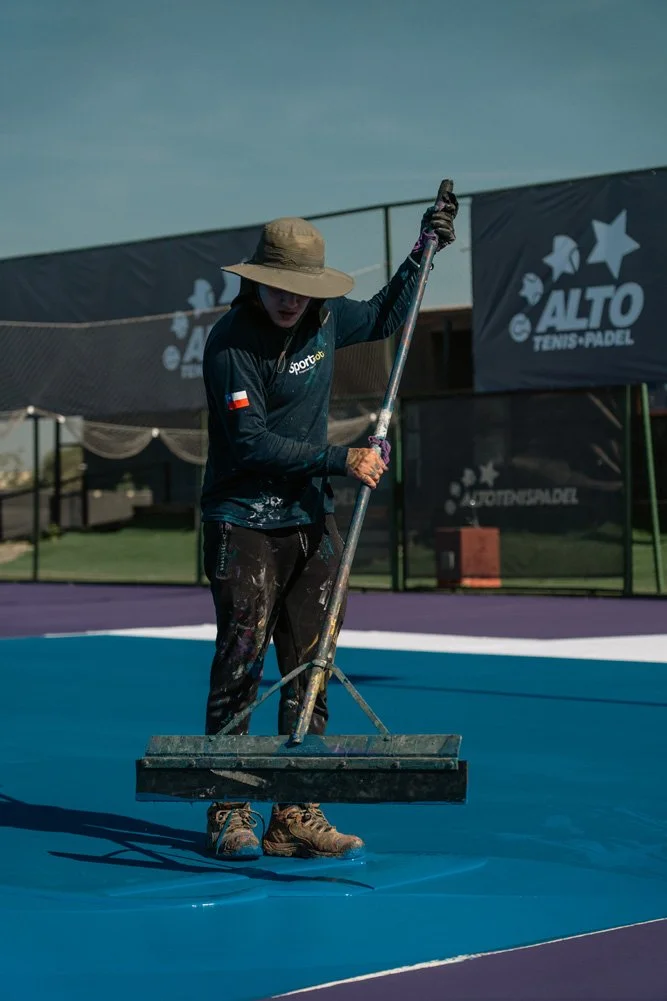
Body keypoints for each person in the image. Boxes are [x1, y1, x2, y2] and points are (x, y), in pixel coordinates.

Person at [200, 185, 458, 860]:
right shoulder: (232, 343)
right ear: (258, 282)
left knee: (312, 662)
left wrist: (420, 253)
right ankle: (229, 808)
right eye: (279, 286)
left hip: (308, 519)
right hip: (244, 522)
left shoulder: (323, 317)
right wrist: (339, 457)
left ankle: (293, 809)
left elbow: (381, 317)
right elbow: (249, 441)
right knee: (241, 661)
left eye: (301, 288)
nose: (290, 299)